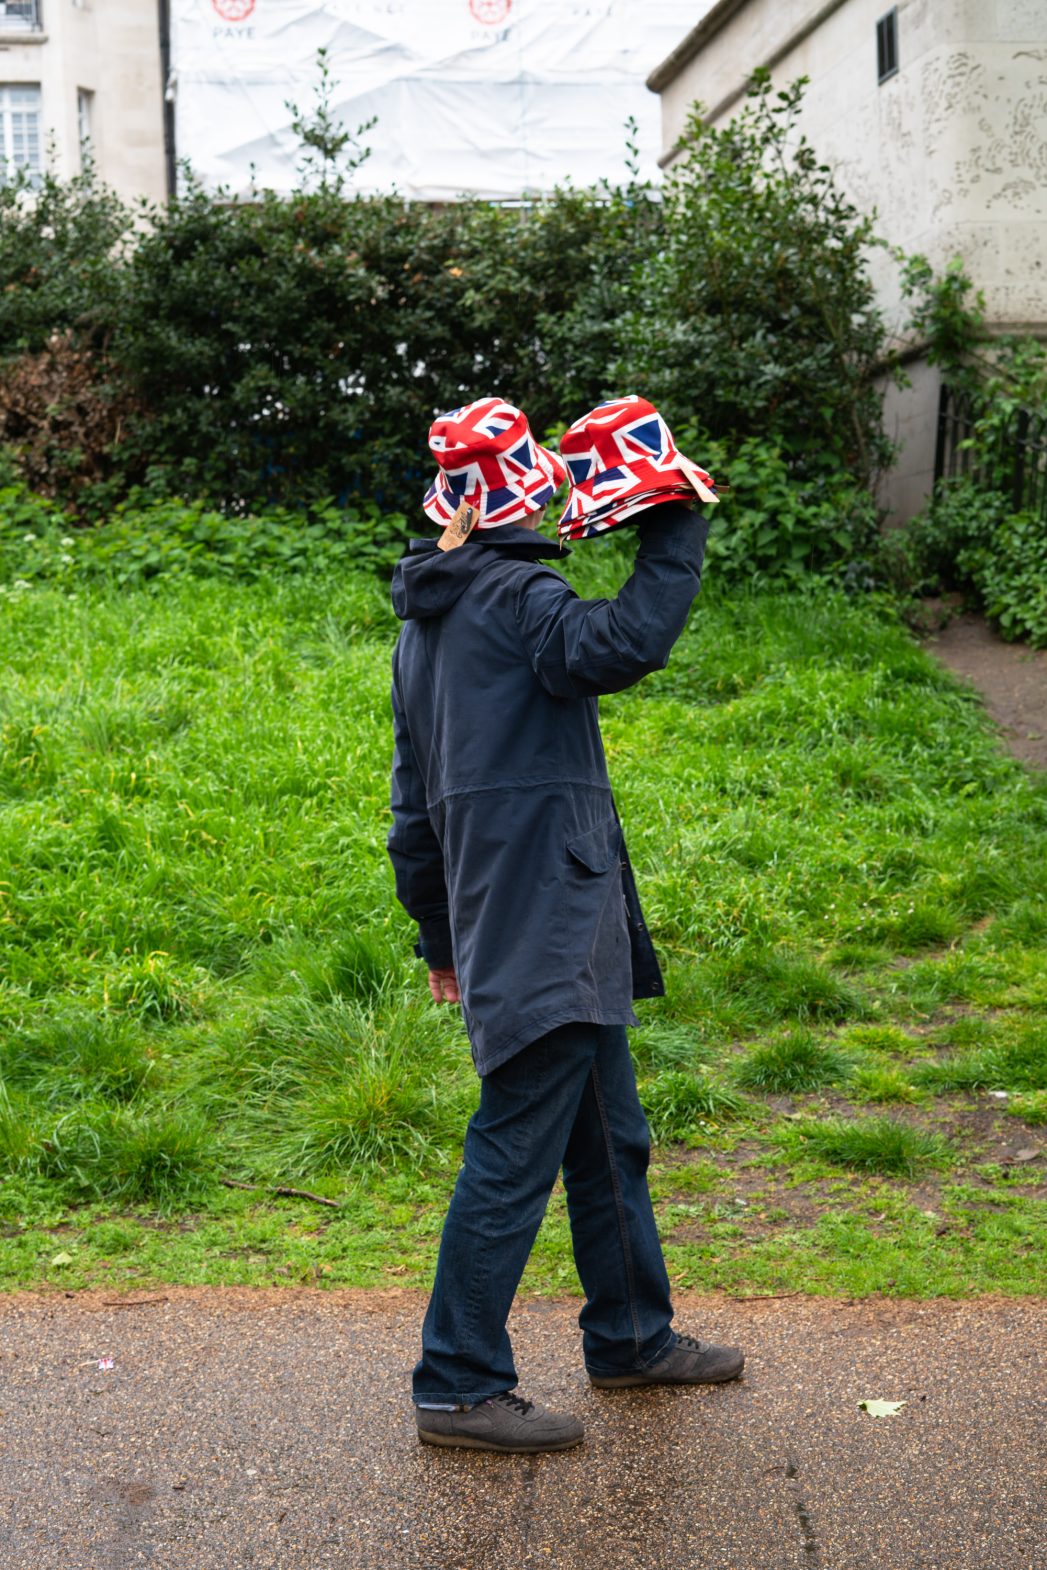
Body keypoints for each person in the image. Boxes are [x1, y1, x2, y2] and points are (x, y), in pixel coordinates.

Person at [386, 394, 744, 1455]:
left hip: (516, 908)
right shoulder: (522, 595)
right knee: (515, 1147)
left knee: (607, 1137)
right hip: (550, 910)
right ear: (522, 491)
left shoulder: (430, 619)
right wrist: (674, 517)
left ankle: (632, 1335)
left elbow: (413, 802)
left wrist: (437, 932)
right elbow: (625, 639)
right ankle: (456, 1381)